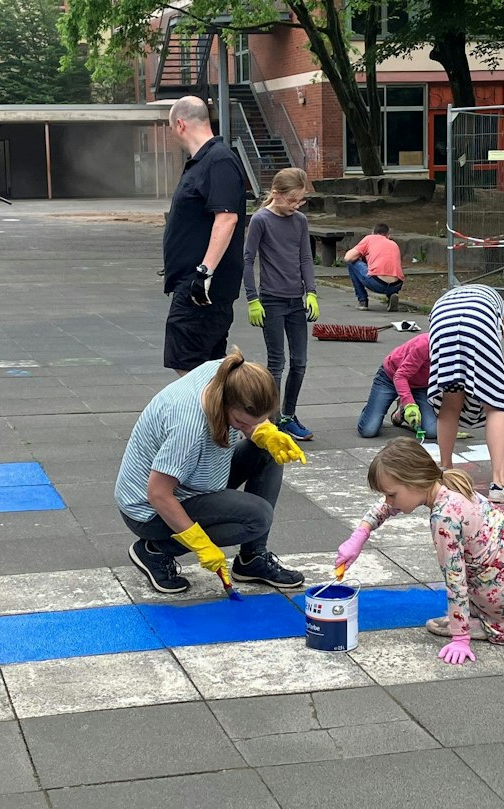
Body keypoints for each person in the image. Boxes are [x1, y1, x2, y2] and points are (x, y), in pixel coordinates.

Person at [334, 437, 504, 664]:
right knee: (490, 564)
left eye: (391, 495)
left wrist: (460, 636)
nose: (388, 502)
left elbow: (456, 581)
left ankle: (500, 621)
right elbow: (389, 504)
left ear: (415, 481)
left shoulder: (444, 518)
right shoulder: (450, 484)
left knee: (466, 608)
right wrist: (360, 534)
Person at [116, 350, 308, 596]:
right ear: (226, 403)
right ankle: (155, 550)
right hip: (148, 510)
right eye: (242, 423)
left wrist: (266, 432)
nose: (249, 429)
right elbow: (158, 494)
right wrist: (201, 545)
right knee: (258, 517)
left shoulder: (230, 373)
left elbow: (252, 420)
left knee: (268, 451)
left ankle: (252, 559)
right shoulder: (189, 428)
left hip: (194, 477)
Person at [428, 283, 504, 503]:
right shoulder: (496, 302)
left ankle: (446, 474)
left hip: (440, 321)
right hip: (477, 323)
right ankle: (501, 484)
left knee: (450, 402)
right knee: (496, 405)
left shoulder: (448, 299)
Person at [160, 95, 246, 376]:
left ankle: (212, 407)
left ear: (180, 124)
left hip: (201, 289)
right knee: (206, 370)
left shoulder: (219, 161)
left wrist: (204, 273)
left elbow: (227, 218)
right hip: (196, 285)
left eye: (172, 128)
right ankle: (218, 407)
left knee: (186, 366)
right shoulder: (203, 162)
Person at [243, 167, 319, 442]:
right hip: (272, 301)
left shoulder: (299, 221)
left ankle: (289, 415)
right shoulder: (261, 220)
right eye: (293, 200)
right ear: (276, 193)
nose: (297, 205)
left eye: (301, 201)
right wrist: (252, 299)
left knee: (300, 362)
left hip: (295, 301)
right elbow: (248, 259)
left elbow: (305, 258)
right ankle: (272, 420)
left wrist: (311, 292)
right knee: (277, 364)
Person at [356, 332, 437, 439]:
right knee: (368, 430)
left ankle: (402, 411)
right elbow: (400, 376)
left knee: (432, 431)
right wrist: (410, 405)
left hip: (420, 385)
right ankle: (372, 409)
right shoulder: (424, 345)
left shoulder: (456, 352)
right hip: (390, 377)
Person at [343, 222, 405, 310]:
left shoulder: (370, 238)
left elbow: (348, 257)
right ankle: (391, 296)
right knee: (389, 267)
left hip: (377, 283)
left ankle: (362, 301)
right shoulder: (393, 244)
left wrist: (361, 255)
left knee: (351, 262)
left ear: (372, 232)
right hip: (396, 285)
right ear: (388, 235)